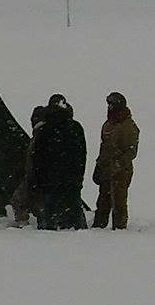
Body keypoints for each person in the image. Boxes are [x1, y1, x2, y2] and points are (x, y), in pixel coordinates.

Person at [29, 94, 87, 231]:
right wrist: (79, 175)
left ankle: (49, 226)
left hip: (50, 176)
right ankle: (76, 225)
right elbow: (81, 154)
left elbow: (38, 156)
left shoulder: (44, 129)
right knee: (73, 203)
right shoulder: (75, 127)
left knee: (50, 205)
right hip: (70, 175)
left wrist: (38, 177)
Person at [91, 90, 140, 230]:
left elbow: (131, 152)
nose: (109, 107)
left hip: (121, 172)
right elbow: (104, 148)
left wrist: (117, 165)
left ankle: (119, 229)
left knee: (118, 202)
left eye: (112, 105)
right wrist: (99, 166)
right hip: (107, 169)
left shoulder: (129, 126)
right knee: (103, 201)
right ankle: (98, 227)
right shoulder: (108, 124)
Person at [10, 105, 48, 226]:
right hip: (41, 176)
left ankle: (24, 223)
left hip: (35, 176)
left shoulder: (38, 137)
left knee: (19, 199)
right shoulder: (45, 134)